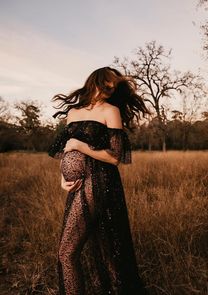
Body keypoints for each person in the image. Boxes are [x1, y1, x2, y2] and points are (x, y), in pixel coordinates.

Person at [48, 66, 151, 295]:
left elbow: (114, 157)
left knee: (67, 252)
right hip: (77, 185)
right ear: (97, 79)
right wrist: (62, 178)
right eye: (108, 82)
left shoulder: (110, 111)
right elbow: (66, 151)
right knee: (106, 249)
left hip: (100, 181)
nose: (111, 87)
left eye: (114, 85)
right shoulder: (73, 113)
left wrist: (81, 146)